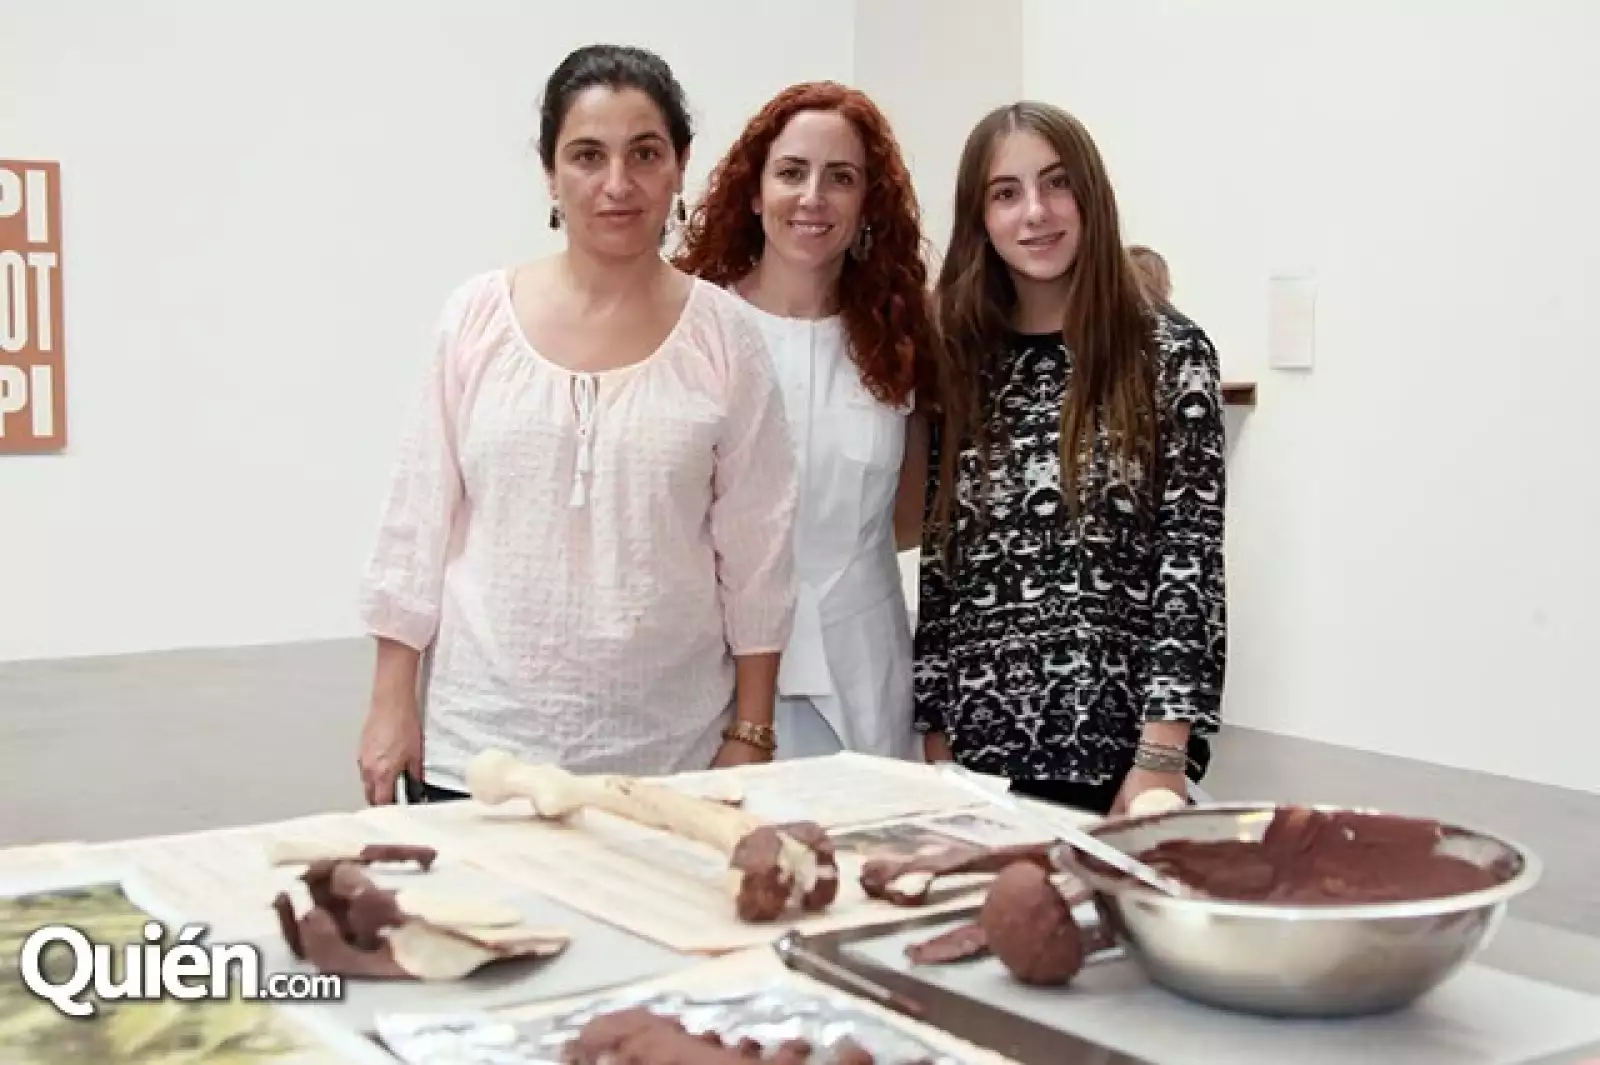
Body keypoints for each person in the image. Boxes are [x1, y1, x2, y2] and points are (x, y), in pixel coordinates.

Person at [355, 45, 799, 805]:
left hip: (671, 761)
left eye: (645, 153)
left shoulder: (725, 336)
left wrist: (750, 733)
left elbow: (759, 549)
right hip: (483, 754)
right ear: (550, 172)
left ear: (680, 166)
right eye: (587, 155)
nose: (617, 184)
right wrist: (391, 700)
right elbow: (415, 520)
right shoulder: (476, 319)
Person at [914, 101, 1227, 815]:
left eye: (1057, 184)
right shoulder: (965, 359)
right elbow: (944, 563)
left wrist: (1160, 757)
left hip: (1121, 760)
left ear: (1091, 194)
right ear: (980, 217)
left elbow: (1189, 568)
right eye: (1006, 192)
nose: (1035, 213)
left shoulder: (1169, 354)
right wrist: (936, 740)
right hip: (978, 763)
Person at [675, 82, 934, 762]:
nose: (813, 196)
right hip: (718, 681)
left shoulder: (901, 341)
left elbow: (912, 515)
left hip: (865, 676)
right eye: (791, 172)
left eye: (840, 178)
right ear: (755, 191)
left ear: (866, 204)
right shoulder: (697, 326)